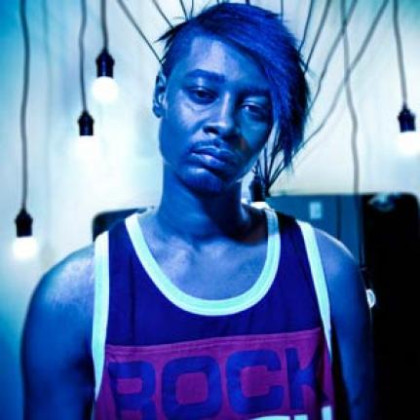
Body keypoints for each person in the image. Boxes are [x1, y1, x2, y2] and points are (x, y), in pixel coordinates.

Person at [22, 3, 374, 419]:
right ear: (161, 94)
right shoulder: (72, 299)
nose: (224, 124)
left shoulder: (328, 272)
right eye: (203, 94)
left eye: (254, 109)